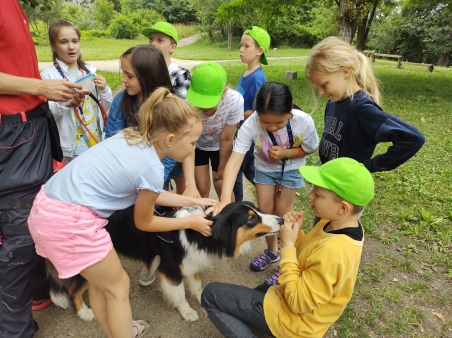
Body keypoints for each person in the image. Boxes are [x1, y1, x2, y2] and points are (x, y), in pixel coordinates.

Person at [28, 87, 217, 338]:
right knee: (119, 287)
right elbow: (145, 221)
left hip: (46, 209)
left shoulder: (131, 138)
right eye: (192, 142)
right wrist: (191, 221)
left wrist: (191, 201)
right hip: (70, 222)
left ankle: (115, 332)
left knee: (101, 284)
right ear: (170, 140)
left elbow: (149, 193)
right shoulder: (152, 167)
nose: (194, 148)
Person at [202, 157, 375, 338]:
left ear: (343, 208)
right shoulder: (337, 225)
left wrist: (288, 246)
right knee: (259, 291)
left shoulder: (335, 250)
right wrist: (297, 234)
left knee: (211, 295)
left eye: (318, 194)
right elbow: (310, 258)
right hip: (303, 313)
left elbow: (297, 302)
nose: (310, 195)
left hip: (294, 323)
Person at [0, 0, 84, 336]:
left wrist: (49, 96)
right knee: (19, 232)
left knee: (38, 215)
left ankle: (36, 290)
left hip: (29, 129)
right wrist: (39, 87)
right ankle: (14, 329)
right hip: (12, 134)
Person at [213, 82, 319, 285]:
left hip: (291, 169)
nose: (271, 127)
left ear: (290, 111)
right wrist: (226, 197)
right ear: (257, 114)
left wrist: (286, 153)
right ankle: (272, 251)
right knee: (265, 211)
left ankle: (288, 262)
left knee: (283, 214)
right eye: (265, 122)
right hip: (264, 170)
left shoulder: (304, 122)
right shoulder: (251, 123)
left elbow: (310, 147)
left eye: (278, 123)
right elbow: (235, 159)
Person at [305, 36, 425, 175]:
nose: (320, 93)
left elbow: (413, 139)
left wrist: (371, 165)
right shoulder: (334, 101)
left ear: (345, 72)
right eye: (317, 87)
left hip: (347, 184)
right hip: (330, 176)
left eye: (324, 84)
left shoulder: (361, 108)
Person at [41, 20, 113, 164]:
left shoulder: (90, 71)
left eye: (75, 41)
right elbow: (46, 113)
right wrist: (67, 102)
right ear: (53, 45)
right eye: (63, 42)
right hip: (71, 149)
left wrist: (105, 90)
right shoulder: (48, 76)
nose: (71, 47)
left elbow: (104, 105)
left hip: (95, 141)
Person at [143, 21, 192, 195]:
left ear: (172, 47)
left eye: (160, 40)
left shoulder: (179, 74)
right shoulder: (145, 71)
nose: (154, 44)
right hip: (150, 135)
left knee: (178, 176)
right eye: (151, 39)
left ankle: (181, 210)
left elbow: (182, 111)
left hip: (173, 135)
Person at [186, 62, 244, 199]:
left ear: (224, 92)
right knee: (202, 187)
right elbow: (188, 141)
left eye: (209, 103)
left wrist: (222, 167)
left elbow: (226, 137)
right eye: (200, 102)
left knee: (222, 184)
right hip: (197, 144)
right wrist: (190, 184)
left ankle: (229, 217)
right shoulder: (186, 103)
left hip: (220, 145)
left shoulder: (235, 101)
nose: (204, 108)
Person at [233, 26, 270, 202]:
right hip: (241, 130)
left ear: (259, 51)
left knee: (236, 172)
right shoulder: (247, 72)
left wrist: (235, 114)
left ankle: (238, 206)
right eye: (241, 45)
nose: (241, 49)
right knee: (249, 170)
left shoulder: (257, 78)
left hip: (248, 133)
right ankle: (270, 192)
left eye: (246, 46)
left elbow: (258, 111)